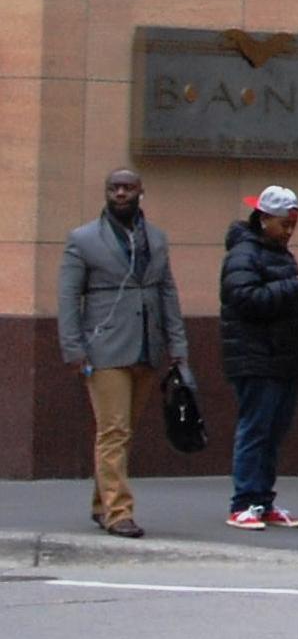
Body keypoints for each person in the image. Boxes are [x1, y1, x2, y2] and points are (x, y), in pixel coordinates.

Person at [59, 166, 192, 538]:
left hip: (147, 346)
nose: (120, 194)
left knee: (124, 431)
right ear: (106, 192)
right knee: (113, 430)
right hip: (103, 349)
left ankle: (102, 503)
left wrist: (178, 348)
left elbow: (168, 293)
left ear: (140, 193)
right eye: (114, 188)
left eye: (127, 188)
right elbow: (69, 296)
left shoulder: (156, 238)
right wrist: (73, 348)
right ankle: (119, 512)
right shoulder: (83, 239)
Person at [219, 185, 298, 529]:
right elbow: (245, 299)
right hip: (255, 355)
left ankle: (262, 499)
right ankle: (244, 501)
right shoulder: (244, 254)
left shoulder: (281, 254)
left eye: (293, 225)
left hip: (283, 355)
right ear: (264, 220)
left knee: (274, 432)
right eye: (283, 225)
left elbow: (277, 298)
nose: (288, 232)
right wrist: (294, 288)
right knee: (256, 429)